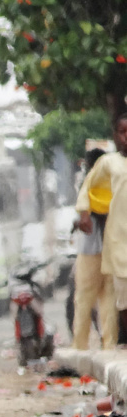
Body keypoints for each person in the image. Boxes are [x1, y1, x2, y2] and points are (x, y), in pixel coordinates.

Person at [76, 114, 127, 339]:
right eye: (123, 132)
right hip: (119, 241)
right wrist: (85, 214)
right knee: (123, 298)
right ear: (116, 135)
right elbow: (88, 186)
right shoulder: (109, 163)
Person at [71, 148, 116, 350]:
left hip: (90, 251)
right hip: (112, 249)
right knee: (108, 299)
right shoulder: (114, 181)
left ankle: (80, 345)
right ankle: (109, 345)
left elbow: (85, 214)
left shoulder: (87, 184)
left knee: (84, 300)